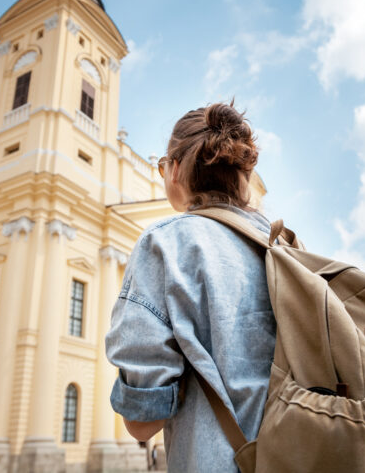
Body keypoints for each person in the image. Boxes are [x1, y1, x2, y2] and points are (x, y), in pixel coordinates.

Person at [105, 102, 275, 472]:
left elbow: (142, 422)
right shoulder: (283, 247)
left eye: (163, 166)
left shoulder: (165, 244)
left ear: (177, 169)